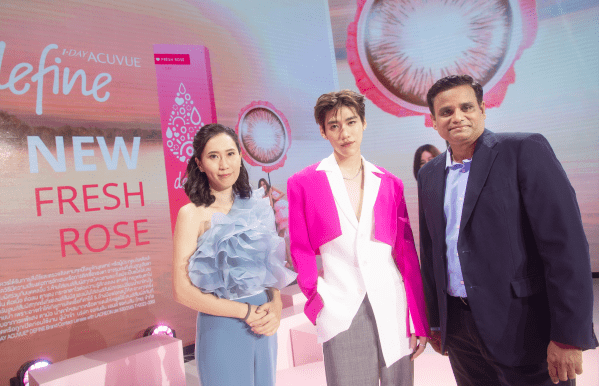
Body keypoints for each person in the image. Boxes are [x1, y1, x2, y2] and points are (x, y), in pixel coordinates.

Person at [417, 75, 597, 386]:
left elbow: (565, 247)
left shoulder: (524, 150)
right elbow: (432, 250)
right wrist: (436, 321)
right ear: (433, 121)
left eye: (466, 107)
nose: (457, 117)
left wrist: (569, 337)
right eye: (446, 112)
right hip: (460, 332)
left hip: (524, 328)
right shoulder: (429, 174)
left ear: (483, 110)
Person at [288, 90, 429, 386]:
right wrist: (316, 300)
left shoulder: (389, 183)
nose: (345, 133)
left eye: (351, 122)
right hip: (340, 307)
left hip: (392, 303)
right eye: (334, 125)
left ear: (363, 123)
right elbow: (301, 249)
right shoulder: (304, 183)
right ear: (323, 131)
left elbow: (405, 254)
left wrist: (418, 318)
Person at [172, 124, 296, 386]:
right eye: (213, 156)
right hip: (223, 327)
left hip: (264, 324)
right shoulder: (191, 214)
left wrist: (275, 305)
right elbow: (182, 291)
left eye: (230, 154)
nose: (224, 164)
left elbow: (270, 269)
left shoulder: (258, 205)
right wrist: (245, 312)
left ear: (240, 156)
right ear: (199, 163)